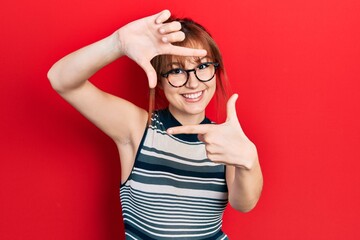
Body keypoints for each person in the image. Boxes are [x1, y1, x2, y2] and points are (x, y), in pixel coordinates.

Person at [48, 9, 263, 240]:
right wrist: (117, 43)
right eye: (177, 71)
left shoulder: (224, 141)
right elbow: (61, 80)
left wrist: (249, 162)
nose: (193, 83)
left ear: (215, 70)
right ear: (159, 80)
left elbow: (243, 204)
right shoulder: (137, 127)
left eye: (202, 67)